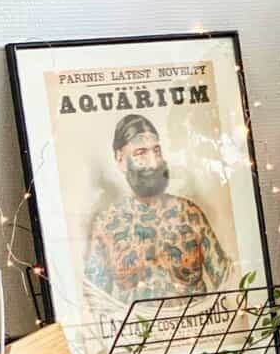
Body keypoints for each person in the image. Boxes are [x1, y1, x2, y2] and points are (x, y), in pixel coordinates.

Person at [84, 114, 232, 304]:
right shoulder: (107, 224)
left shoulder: (189, 214)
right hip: (139, 331)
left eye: (157, 151)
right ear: (120, 160)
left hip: (196, 327)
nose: (153, 162)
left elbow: (228, 283)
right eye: (141, 153)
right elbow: (93, 303)